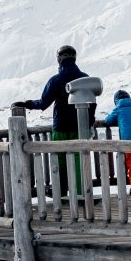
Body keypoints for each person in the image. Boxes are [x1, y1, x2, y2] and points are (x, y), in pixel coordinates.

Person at [30, 45, 86, 194]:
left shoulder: (55, 80)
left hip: (60, 126)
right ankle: (80, 193)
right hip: (79, 126)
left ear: (59, 60)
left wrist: (27, 104)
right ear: (74, 58)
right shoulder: (86, 78)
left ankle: (60, 192)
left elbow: (43, 103)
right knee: (78, 159)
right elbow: (92, 103)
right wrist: (90, 121)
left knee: (60, 159)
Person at [102, 87, 131, 186]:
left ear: (116, 101)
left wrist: (119, 120)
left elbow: (107, 121)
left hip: (128, 140)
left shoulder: (118, 109)